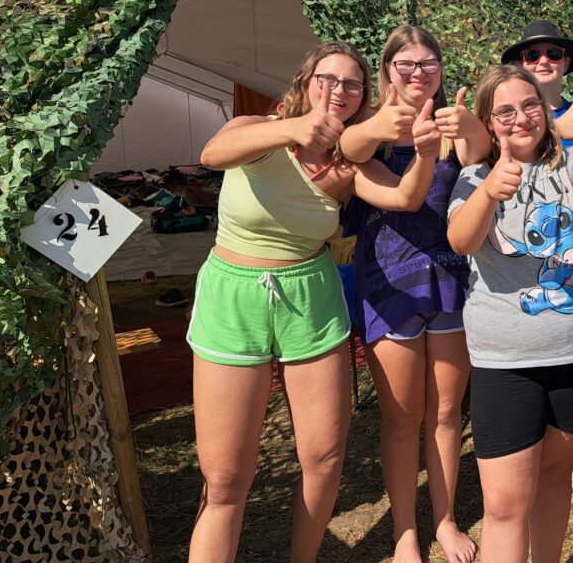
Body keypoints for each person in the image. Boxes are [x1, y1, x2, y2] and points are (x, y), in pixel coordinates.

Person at [188, 42, 441, 563]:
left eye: (352, 84)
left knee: (324, 457)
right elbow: (211, 155)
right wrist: (292, 129)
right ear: (305, 81)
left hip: (311, 295)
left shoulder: (350, 159)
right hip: (233, 295)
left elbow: (405, 198)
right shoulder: (256, 131)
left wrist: (427, 152)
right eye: (328, 78)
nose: (339, 90)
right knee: (226, 478)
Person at [446, 65, 573, 563]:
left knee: (554, 478)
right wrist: (488, 191)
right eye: (504, 111)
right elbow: (459, 239)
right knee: (505, 505)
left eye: (530, 106)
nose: (521, 118)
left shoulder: (572, 159)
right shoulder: (473, 176)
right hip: (503, 362)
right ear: (487, 121)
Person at [339, 26, 489, 563]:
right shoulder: (369, 130)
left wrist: (466, 123)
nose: (418, 73)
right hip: (390, 285)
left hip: (451, 282)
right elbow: (352, 149)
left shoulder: (452, 124)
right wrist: (395, 127)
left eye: (429, 64)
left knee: (448, 414)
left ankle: (445, 521)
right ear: (386, 70)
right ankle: (406, 532)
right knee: (402, 418)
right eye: (405, 64)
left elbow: (479, 152)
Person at [501, 20, 573, 155]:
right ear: (519, 65)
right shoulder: (508, 117)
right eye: (532, 55)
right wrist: (556, 128)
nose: (543, 61)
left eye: (553, 54)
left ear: (566, 63)